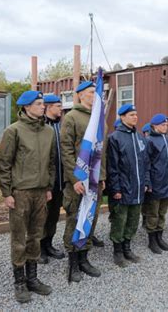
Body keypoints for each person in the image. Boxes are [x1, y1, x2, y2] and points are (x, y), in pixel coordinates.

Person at [0, 90, 55, 303]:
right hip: (20, 193)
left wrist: (48, 187)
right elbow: (3, 163)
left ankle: (32, 278)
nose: (43, 106)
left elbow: (51, 162)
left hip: (40, 192)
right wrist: (6, 192)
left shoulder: (48, 131)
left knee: (36, 235)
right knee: (19, 238)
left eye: (43, 103)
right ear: (27, 107)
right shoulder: (14, 131)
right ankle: (19, 282)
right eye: (39, 103)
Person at [60, 81, 106, 282]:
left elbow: (101, 152)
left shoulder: (99, 120)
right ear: (80, 95)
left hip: (95, 181)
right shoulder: (71, 117)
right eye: (90, 92)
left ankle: (84, 258)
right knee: (74, 219)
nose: (95, 96)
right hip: (78, 182)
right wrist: (75, 178)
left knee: (91, 219)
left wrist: (102, 177)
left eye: (96, 93)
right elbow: (66, 150)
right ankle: (73, 262)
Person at [106, 104, 147, 267]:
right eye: (131, 115)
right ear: (122, 117)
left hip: (137, 188)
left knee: (133, 220)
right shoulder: (115, 137)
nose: (135, 117)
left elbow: (145, 162)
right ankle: (117, 251)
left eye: (136, 114)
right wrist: (115, 188)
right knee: (119, 221)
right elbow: (112, 166)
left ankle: (127, 248)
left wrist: (146, 182)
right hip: (123, 188)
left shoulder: (139, 137)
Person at [143, 114, 168, 254]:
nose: (165, 127)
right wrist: (148, 182)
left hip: (166, 182)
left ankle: (159, 237)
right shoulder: (149, 140)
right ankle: (152, 240)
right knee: (153, 213)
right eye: (162, 125)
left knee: (162, 212)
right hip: (156, 183)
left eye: (166, 124)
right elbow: (146, 163)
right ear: (154, 126)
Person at [38, 94, 65, 264]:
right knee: (42, 216)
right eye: (58, 106)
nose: (61, 109)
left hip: (60, 181)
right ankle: (39, 247)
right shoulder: (41, 127)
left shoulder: (61, 127)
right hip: (45, 181)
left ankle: (49, 243)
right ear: (48, 107)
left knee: (54, 215)